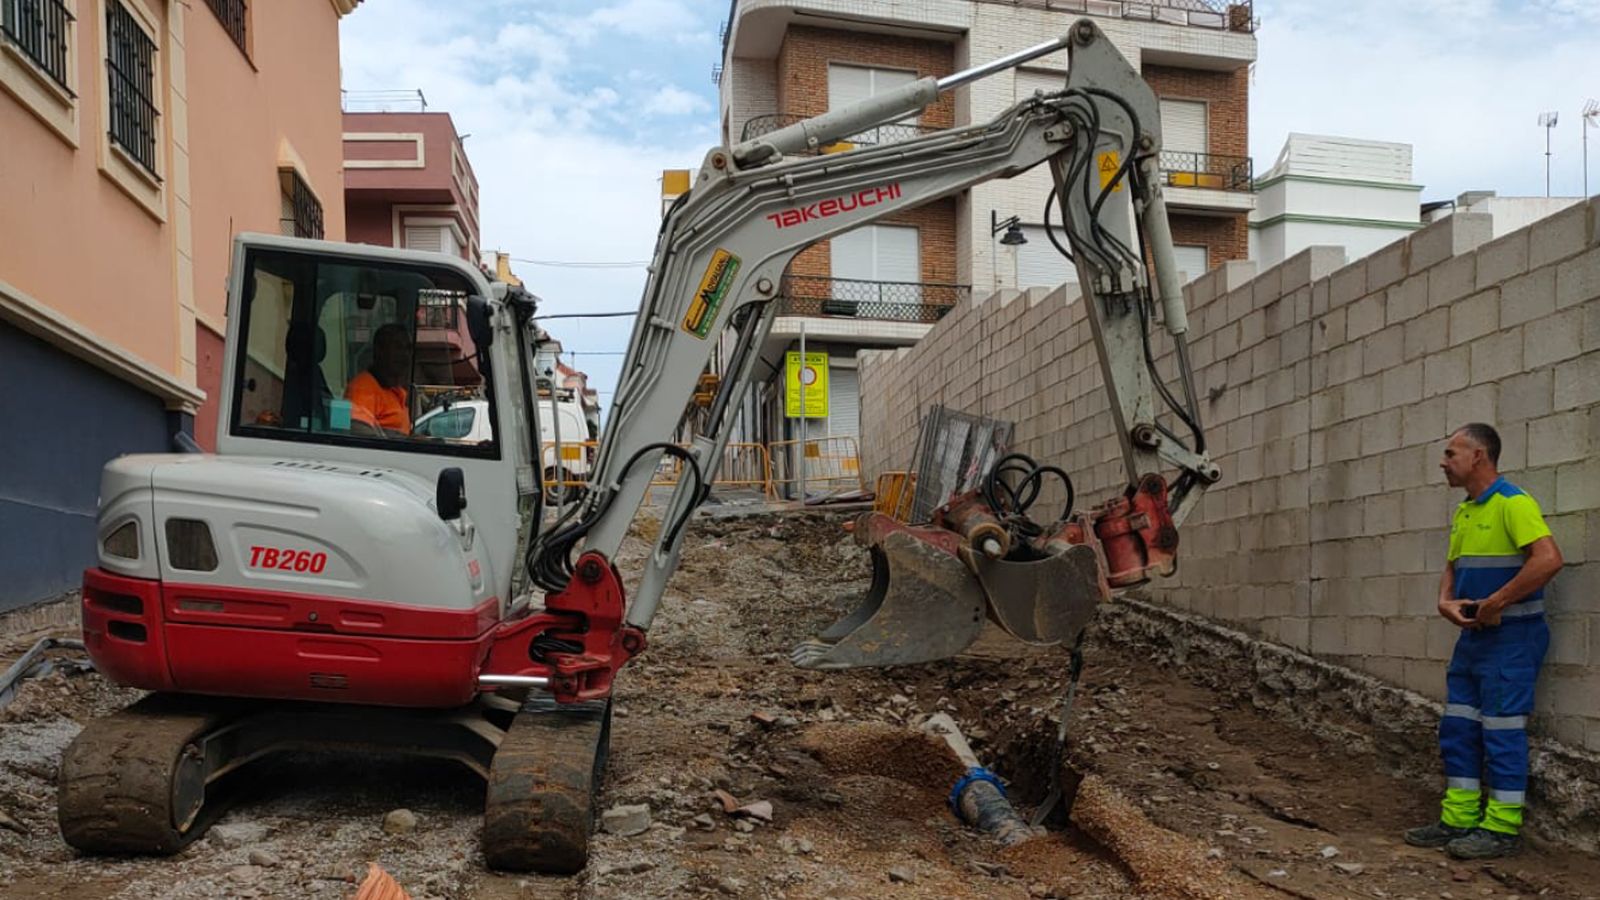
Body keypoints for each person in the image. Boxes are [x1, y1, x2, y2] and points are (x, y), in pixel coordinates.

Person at [1404, 423, 1563, 859]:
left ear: (1479, 456)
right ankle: (1458, 819)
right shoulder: (1466, 510)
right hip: (1473, 640)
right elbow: (1454, 565)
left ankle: (1502, 828)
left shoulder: (1513, 503)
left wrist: (1496, 602)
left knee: (1502, 730)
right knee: (1458, 727)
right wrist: (1444, 601)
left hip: (1513, 639)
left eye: (1450, 453)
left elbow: (1549, 559)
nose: (1443, 462)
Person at [345, 323, 414, 435]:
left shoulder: (396, 390)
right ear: (379, 351)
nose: (405, 355)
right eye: (398, 347)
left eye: (408, 348)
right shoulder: (363, 389)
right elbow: (361, 437)